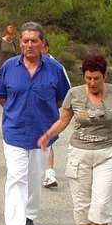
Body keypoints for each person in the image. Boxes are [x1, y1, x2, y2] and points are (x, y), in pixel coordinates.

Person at [38, 54, 112, 225]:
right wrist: (47, 135)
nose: (92, 83)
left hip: (108, 154)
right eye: (88, 78)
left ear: (105, 76)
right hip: (79, 154)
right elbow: (63, 121)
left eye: (97, 78)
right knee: (82, 204)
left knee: (100, 203)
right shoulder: (73, 94)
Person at [0, 22, 71, 225]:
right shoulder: (9, 67)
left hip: (42, 134)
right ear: (20, 43)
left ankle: (30, 215)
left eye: (34, 41)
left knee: (34, 177)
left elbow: (64, 99)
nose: (29, 45)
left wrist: (47, 116)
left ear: (43, 44)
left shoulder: (55, 69)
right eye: (25, 40)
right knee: (16, 176)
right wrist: (15, 110)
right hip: (14, 131)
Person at [41, 39, 72, 189]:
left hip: (48, 110)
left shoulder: (57, 67)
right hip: (27, 111)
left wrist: (52, 105)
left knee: (47, 140)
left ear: (46, 49)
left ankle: (49, 173)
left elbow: (67, 94)